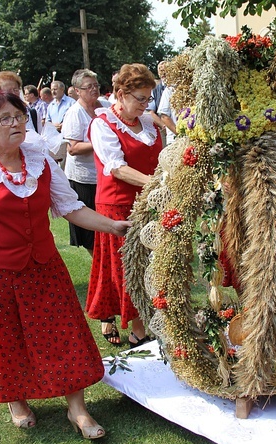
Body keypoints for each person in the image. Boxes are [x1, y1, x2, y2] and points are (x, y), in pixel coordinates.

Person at [0, 91, 131, 438]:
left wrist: (112, 225)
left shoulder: (41, 161)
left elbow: (70, 207)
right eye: (4, 119)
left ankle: (77, 409)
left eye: (18, 116)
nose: (15, 123)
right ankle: (16, 400)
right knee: (7, 340)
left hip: (44, 267)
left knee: (65, 335)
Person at [87, 63, 162, 348]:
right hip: (117, 205)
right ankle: (139, 331)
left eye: (148, 98)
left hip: (147, 202)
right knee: (127, 268)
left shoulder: (147, 123)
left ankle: (117, 317)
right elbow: (116, 168)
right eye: (140, 98)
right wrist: (154, 184)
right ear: (120, 94)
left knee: (149, 265)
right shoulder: (102, 123)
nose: (145, 104)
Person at [61, 69, 102, 256]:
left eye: (96, 85)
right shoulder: (75, 113)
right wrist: (101, 142)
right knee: (90, 231)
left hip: (102, 176)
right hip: (84, 178)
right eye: (89, 86)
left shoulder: (104, 106)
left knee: (104, 225)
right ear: (77, 90)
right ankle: (98, 267)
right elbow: (73, 148)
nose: (94, 89)